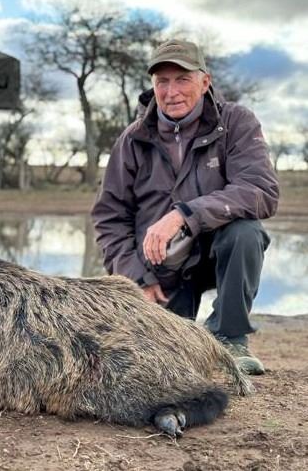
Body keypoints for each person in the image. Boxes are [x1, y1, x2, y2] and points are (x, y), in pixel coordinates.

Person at [91, 39, 279, 375]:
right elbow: (110, 218)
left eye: (182, 79)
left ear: (205, 82)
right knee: (159, 359)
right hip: (161, 268)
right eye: (162, 81)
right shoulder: (132, 139)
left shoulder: (236, 122)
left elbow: (259, 190)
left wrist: (185, 215)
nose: (171, 91)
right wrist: (136, 278)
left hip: (217, 252)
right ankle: (171, 325)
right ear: (153, 85)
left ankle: (229, 338)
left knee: (245, 232)